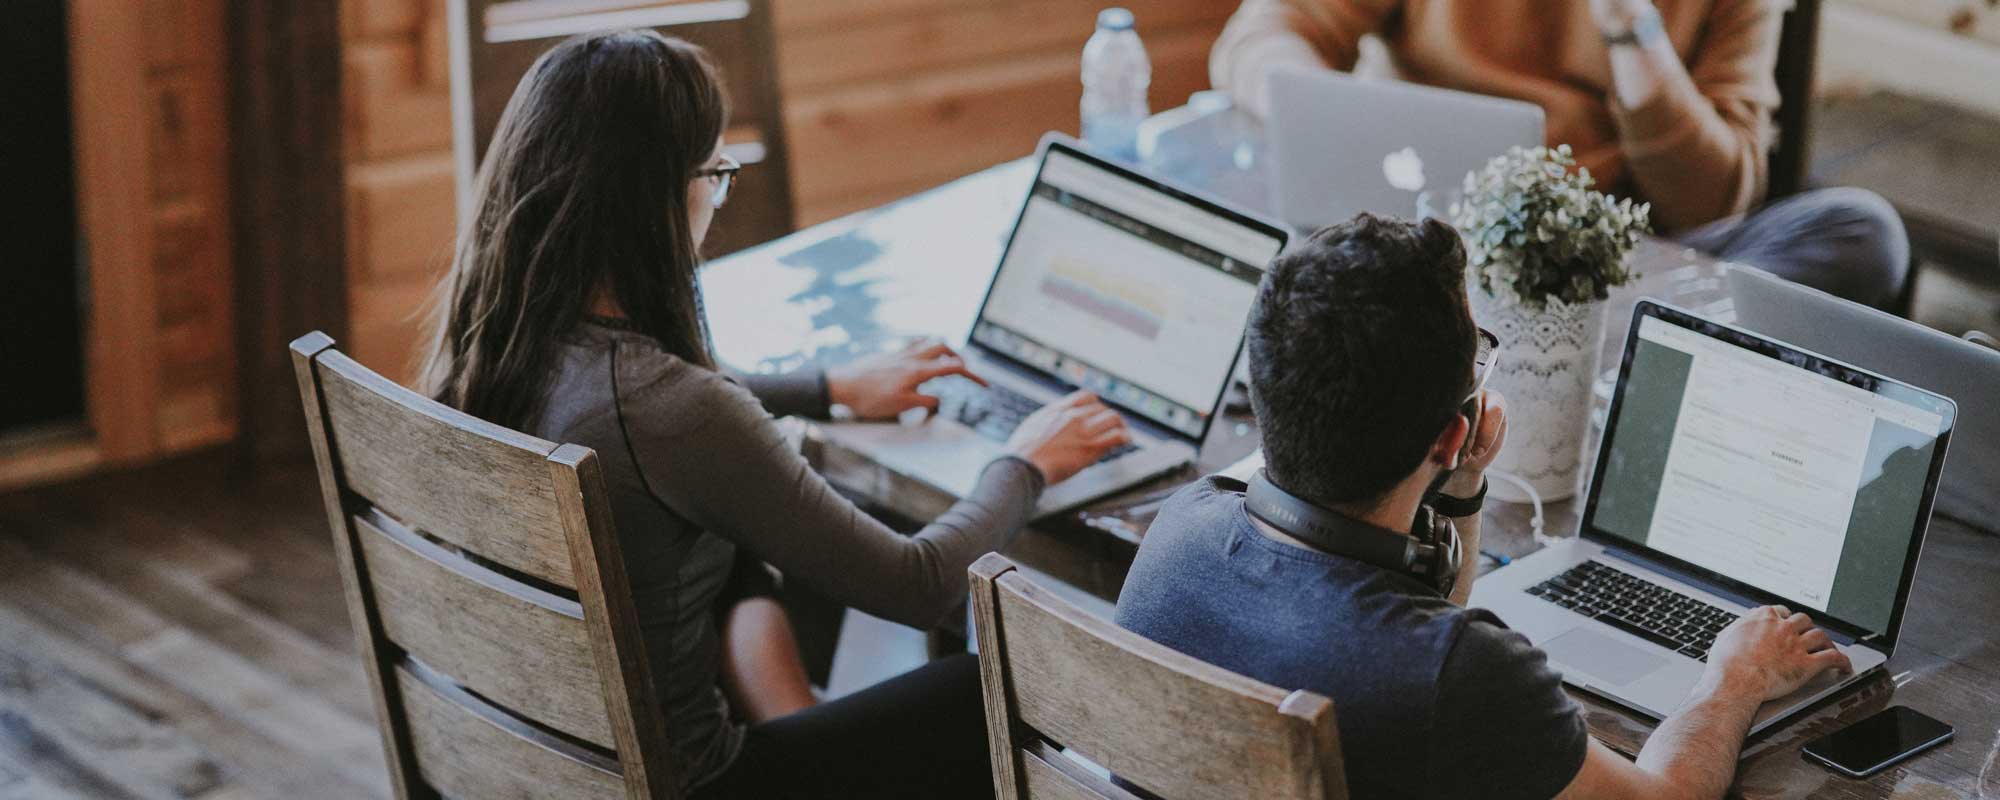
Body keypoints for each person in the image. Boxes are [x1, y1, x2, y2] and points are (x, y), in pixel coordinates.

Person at [419, 30, 1131, 798]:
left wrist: (827, 388)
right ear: (658, 196)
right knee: (972, 691)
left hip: (521, 757)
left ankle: (796, 714)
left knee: (745, 551)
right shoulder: (670, 410)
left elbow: (688, 413)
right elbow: (918, 583)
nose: (718, 196)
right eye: (717, 173)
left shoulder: (499, 340)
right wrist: (1025, 463)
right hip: (694, 784)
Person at [1115, 214, 1854, 799]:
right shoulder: (1461, 675)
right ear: (1449, 433)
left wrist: (1460, 484)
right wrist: (1736, 678)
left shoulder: (1179, 531)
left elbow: (1421, 619)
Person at [1212, 0, 1911, 310]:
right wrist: (1326, 121)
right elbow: (1262, 36)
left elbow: (1714, 199)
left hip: (1614, 262)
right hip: (1416, 227)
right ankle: (1619, 368)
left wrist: (1633, 31)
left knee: (1862, 231)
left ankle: (1598, 358)